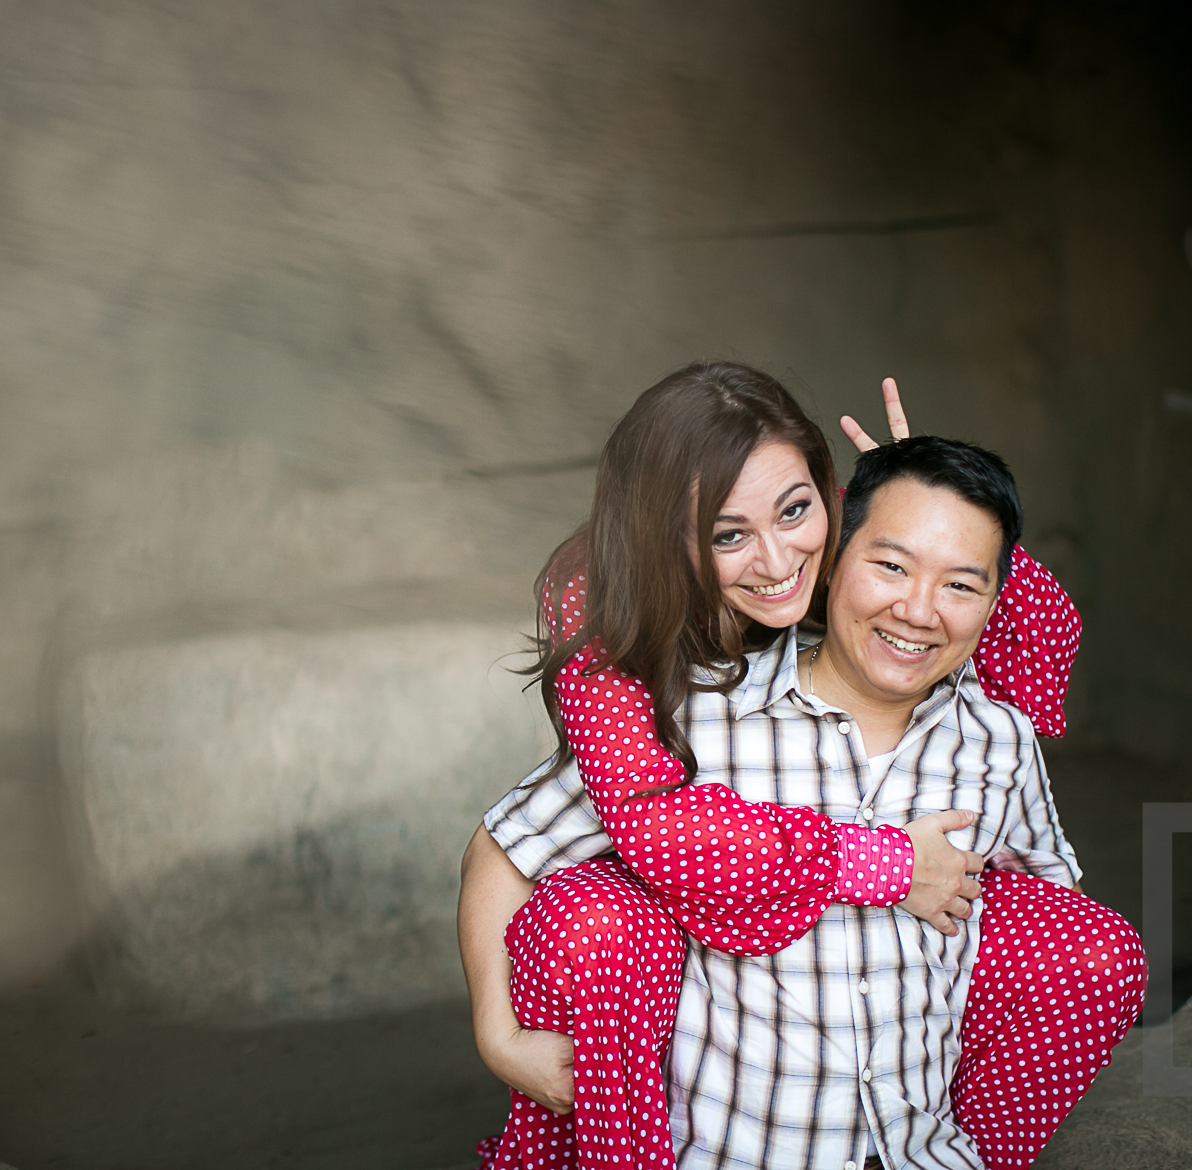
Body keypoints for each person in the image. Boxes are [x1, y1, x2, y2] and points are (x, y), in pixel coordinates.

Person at [458, 363, 1115, 1169]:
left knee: (1088, 948)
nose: (776, 560)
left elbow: (1048, 898)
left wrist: (925, 500)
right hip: (726, 1040)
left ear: (828, 508)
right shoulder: (669, 683)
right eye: (727, 534)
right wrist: (498, 1035)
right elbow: (546, 837)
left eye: (796, 512)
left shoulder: (982, 725)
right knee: (595, 922)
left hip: (915, 1118)